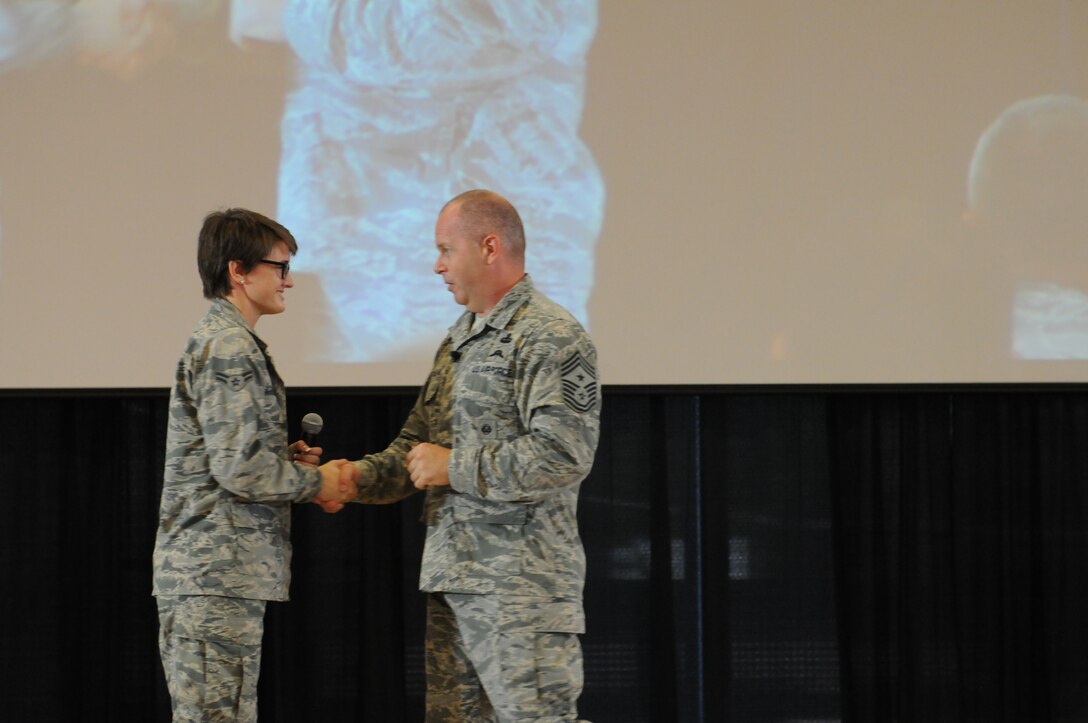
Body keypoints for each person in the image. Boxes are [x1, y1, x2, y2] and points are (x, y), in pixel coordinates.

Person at [349, 189, 601, 721]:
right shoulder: (461, 338)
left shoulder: (551, 335)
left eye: (446, 250)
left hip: (520, 590)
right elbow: (416, 449)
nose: (437, 266)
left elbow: (563, 454)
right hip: (454, 581)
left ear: (489, 247)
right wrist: (344, 480)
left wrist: (455, 466)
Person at [152, 208, 358, 722]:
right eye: (279, 267)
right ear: (238, 271)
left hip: (222, 577)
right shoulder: (227, 347)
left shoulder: (232, 342)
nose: (288, 280)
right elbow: (240, 470)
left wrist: (282, 461)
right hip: (213, 577)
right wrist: (317, 482)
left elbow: (230, 458)